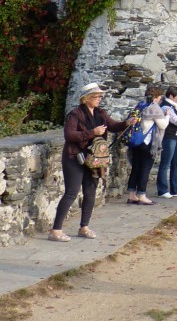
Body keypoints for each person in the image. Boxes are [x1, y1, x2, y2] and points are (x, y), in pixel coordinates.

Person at [49, 83, 137, 242]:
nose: (99, 99)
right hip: (74, 156)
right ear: (86, 98)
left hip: (95, 158)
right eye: (96, 96)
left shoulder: (100, 113)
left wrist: (127, 123)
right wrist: (92, 133)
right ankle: (56, 230)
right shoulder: (75, 114)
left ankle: (84, 227)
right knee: (71, 192)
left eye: (99, 96)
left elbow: (113, 126)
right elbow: (69, 135)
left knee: (90, 192)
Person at [126, 85, 169, 205]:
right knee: (145, 168)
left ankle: (131, 195)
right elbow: (163, 125)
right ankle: (142, 195)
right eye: (160, 96)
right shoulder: (154, 108)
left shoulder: (140, 104)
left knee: (136, 168)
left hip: (136, 141)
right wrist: (167, 115)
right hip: (147, 142)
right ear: (156, 97)